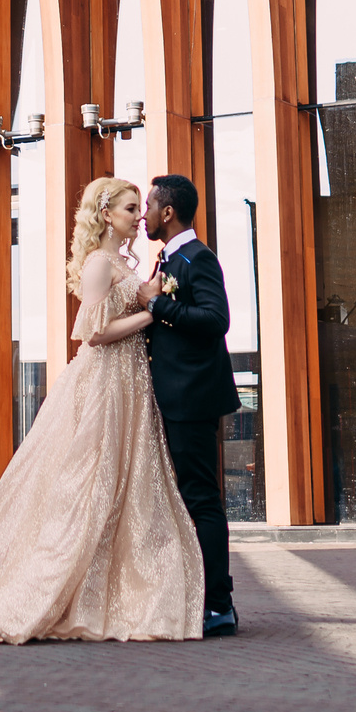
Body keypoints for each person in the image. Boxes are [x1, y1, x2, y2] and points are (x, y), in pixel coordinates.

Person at [0, 176, 203, 642]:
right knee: (91, 481)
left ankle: (126, 590)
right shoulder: (98, 263)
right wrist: (153, 312)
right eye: (131, 209)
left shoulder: (122, 261)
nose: (139, 217)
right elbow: (94, 334)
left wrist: (153, 295)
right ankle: (45, 590)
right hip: (106, 380)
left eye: (140, 208)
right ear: (106, 214)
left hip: (131, 381)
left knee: (128, 483)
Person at [139, 173, 242, 637]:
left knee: (202, 499)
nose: (143, 214)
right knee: (186, 499)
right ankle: (195, 597)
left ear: (167, 212)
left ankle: (219, 605)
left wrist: (158, 306)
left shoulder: (197, 257)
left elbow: (216, 319)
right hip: (172, 398)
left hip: (192, 399)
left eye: (148, 205)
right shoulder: (167, 258)